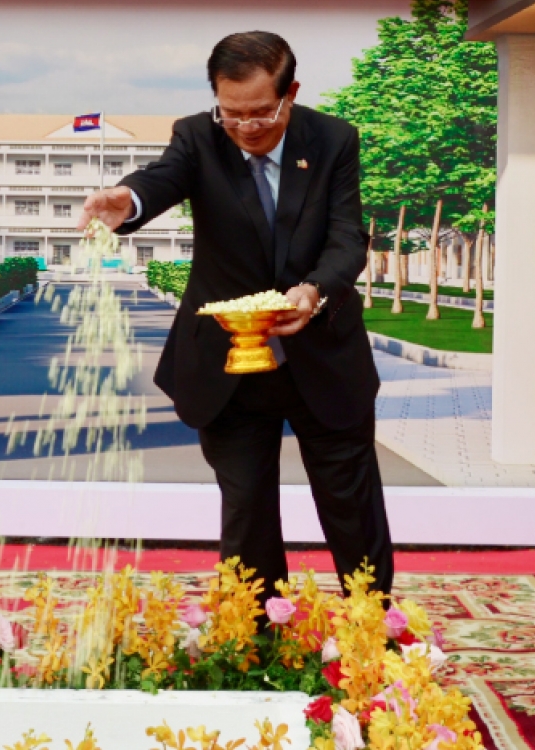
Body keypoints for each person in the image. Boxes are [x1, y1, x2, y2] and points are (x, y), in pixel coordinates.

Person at [79, 31, 393, 603]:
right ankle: (255, 635)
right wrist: (128, 200)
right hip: (229, 360)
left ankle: (374, 628)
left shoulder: (333, 140)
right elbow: (162, 178)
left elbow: (348, 237)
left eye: (260, 113)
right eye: (232, 114)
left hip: (321, 349)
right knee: (246, 509)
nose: (246, 127)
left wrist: (314, 291)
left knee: (351, 504)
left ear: (290, 93)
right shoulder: (199, 137)